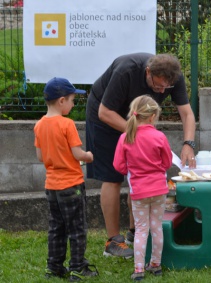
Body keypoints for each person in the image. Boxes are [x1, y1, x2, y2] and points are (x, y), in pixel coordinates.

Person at [85, 52, 196, 258]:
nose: (162, 91)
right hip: (106, 118)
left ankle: (135, 233)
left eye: (166, 88)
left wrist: (188, 144)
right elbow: (104, 112)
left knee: (139, 173)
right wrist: (138, 132)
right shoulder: (126, 71)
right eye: (158, 86)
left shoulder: (173, 77)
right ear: (148, 72)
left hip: (138, 124)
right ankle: (113, 241)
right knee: (113, 176)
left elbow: (187, 113)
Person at [34, 77, 99, 281]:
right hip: (71, 185)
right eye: (72, 100)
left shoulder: (39, 125)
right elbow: (78, 154)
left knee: (56, 228)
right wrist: (89, 156)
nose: (73, 104)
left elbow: (40, 157)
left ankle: (53, 267)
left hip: (51, 186)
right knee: (77, 229)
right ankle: (77, 268)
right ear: (61, 101)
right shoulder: (67, 124)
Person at [113, 95, 172, 281]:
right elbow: (167, 162)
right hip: (159, 191)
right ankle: (155, 264)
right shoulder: (159, 136)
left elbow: (118, 166)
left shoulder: (125, 137)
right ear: (153, 116)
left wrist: (132, 170)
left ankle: (138, 269)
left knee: (140, 229)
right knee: (156, 227)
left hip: (138, 192)